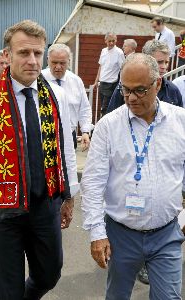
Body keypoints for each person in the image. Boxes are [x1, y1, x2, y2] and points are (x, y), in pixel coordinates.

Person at [0, 20, 78, 300]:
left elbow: (65, 151)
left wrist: (69, 197)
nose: (33, 61)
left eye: (38, 53)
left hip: (46, 201)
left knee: (50, 273)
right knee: (8, 289)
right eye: (24, 53)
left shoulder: (56, 96)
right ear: (7, 56)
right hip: (3, 205)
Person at [81, 53, 185, 300]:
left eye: (140, 90)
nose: (131, 98)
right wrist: (97, 233)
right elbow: (93, 182)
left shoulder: (180, 121)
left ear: (158, 84)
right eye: (125, 90)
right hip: (121, 234)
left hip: (166, 234)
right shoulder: (108, 126)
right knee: (117, 296)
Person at [107, 40, 183, 113]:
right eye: (159, 62)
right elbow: (110, 119)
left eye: (166, 62)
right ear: (146, 60)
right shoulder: (126, 87)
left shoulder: (172, 90)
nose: (164, 66)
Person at [42, 43, 92, 151]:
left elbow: (84, 108)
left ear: (69, 61)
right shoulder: (38, 80)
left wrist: (85, 132)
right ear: (47, 60)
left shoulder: (76, 81)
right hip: (44, 137)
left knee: (68, 167)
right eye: (54, 62)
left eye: (62, 63)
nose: (58, 67)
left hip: (69, 136)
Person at [93, 33, 125, 116]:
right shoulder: (103, 51)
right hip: (102, 83)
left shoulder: (119, 52)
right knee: (103, 107)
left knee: (106, 108)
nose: (111, 43)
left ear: (116, 40)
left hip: (111, 84)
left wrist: (122, 83)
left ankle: (105, 126)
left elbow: (123, 68)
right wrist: (96, 81)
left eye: (113, 41)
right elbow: (101, 66)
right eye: (109, 41)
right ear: (105, 41)